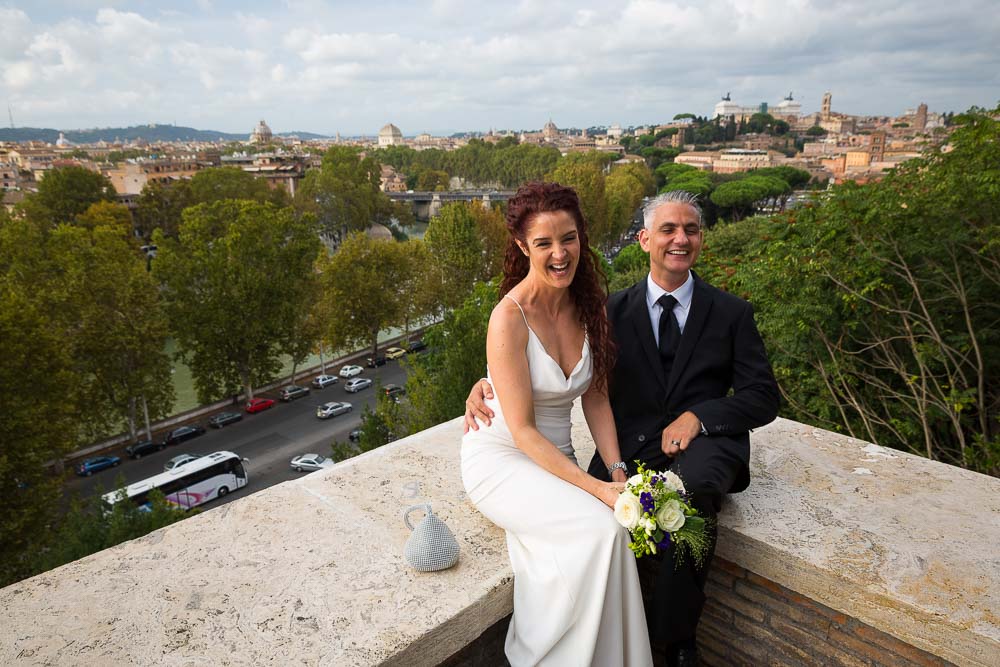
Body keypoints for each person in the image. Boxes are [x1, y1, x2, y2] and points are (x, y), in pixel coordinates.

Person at [466, 190, 780, 666]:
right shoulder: (611, 307)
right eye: (668, 230)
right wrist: (486, 382)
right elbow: (527, 381)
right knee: (607, 531)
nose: (560, 252)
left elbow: (593, 388)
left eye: (690, 229)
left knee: (685, 502)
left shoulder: (598, 306)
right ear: (644, 239)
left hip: (691, 446)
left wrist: (692, 421)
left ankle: (673, 645)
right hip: (528, 450)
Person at [460, 181, 653, 667]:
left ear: (581, 238)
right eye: (544, 243)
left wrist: (616, 472)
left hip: (555, 457)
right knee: (605, 531)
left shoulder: (586, 305)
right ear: (523, 247)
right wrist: (595, 490)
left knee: (612, 529)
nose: (559, 253)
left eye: (568, 238)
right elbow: (523, 430)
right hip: (504, 455)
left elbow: (597, 397)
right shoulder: (508, 318)